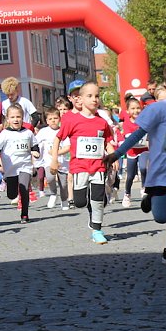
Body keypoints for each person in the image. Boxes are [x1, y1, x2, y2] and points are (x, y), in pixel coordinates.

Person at [104, 62, 166, 265]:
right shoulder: (158, 109)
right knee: (161, 218)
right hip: (160, 174)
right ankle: (149, 196)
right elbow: (137, 135)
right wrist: (118, 153)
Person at [51, 83, 114, 244]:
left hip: (98, 166)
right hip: (79, 167)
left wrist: (113, 156)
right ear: (80, 99)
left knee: (98, 200)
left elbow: (107, 141)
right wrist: (54, 159)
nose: (94, 99)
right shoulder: (72, 120)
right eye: (90, 96)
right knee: (80, 202)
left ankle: (97, 229)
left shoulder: (101, 122)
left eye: (97, 96)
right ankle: (90, 210)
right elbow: (58, 138)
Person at [0, 104, 40, 223]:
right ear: (7, 119)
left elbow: (34, 145)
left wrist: (35, 152)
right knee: (12, 195)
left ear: (23, 118)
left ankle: (24, 214)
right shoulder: (5, 133)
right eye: (12, 117)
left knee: (24, 189)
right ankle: (9, 186)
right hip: (11, 167)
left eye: (18, 116)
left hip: (25, 165)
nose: (16, 119)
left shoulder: (28, 133)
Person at [36, 107, 70, 210]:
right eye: (50, 119)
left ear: (59, 119)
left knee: (63, 184)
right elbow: (35, 142)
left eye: (55, 118)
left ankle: (64, 201)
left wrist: (57, 152)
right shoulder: (43, 132)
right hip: (49, 161)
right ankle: (53, 193)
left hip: (62, 162)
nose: (53, 121)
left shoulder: (63, 131)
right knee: (50, 178)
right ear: (46, 121)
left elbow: (68, 147)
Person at [121, 97, 149, 208]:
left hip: (144, 149)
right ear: (127, 111)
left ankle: (144, 188)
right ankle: (127, 193)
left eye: (138, 108)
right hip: (132, 151)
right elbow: (128, 138)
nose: (136, 110)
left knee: (143, 168)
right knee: (130, 176)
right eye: (132, 108)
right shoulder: (126, 123)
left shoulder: (145, 121)